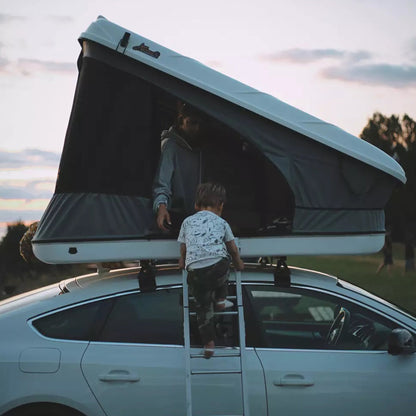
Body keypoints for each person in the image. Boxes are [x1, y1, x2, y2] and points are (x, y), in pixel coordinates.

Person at [178, 182, 244, 358]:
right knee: (225, 264)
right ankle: (222, 298)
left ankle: (209, 344)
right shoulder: (222, 222)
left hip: (195, 270)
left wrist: (182, 261)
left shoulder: (187, 222)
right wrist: (238, 263)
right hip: (217, 267)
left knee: (203, 309)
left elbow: (183, 248)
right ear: (221, 206)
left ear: (196, 205)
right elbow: (232, 248)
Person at [153, 102, 204, 232]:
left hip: (200, 217)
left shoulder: (203, 149)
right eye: (191, 123)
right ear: (181, 121)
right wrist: (161, 206)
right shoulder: (171, 146)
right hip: (176, 216)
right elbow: (162, 182)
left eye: (199, 124)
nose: (196, 128)